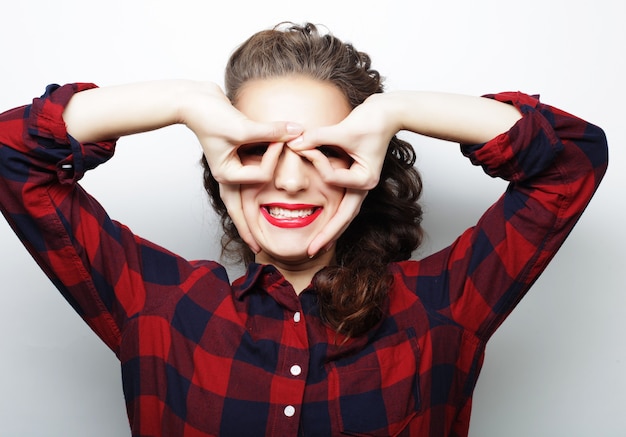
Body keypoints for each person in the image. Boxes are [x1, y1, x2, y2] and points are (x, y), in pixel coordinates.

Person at [0, 21, 607, 437]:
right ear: (221, 161)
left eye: (329, 150)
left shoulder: (441, 306)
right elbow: (13, 155)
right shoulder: (157, 304)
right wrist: (184, 103)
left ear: (365, 166)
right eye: (256, 146)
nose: (289, 181)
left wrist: (396, 112)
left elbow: (573, 158)